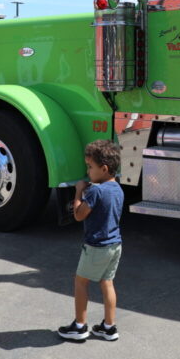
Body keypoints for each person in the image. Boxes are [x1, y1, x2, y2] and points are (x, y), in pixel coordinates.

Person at [58, 140, 125, 342]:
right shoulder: (117, 189)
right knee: (107, 283)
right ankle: (108, 326)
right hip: (115, 245)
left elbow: (79, 215)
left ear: (103, 169)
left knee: (80, 282)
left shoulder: (96, 191)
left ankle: (79, 326)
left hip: (96, 246)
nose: (88, 171)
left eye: (90, 167)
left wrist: (79, 191)